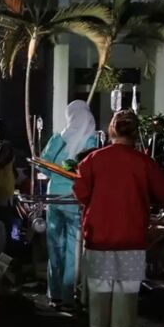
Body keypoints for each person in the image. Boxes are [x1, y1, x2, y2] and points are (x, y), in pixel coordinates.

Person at [74, 111, 164, 327]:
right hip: (131, 236)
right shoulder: (145, 162)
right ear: (136, 133)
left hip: (99, 235)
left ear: (111, 130)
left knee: (99, 288)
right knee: (126, 289)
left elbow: (81, 192)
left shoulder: (93, 159)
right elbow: (163, 192)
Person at [40, 100, 97, 309]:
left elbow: (43, 167)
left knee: (55, 245)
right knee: (74, 246)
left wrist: (58, 176)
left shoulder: (58, 138)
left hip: (54, 196)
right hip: (76, 198)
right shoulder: (91, 140)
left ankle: (54, 293)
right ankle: (68, 294)